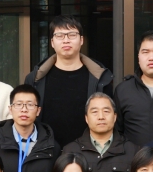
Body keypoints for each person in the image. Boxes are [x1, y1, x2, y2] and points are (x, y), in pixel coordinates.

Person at [25, 15, 116, 147]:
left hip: (88, 152)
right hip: (45, 151)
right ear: (52, 42)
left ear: (81, 40)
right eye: (60, 36)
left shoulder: (101, 79)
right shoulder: (35, 79)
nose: (66, 40)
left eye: (72, 35)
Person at [59, 92, 139, 172]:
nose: (101, 116)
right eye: (94, 112)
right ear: (86, 118)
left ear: (115, 117)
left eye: (106, 111)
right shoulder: (71, 150)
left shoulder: (132, 151)